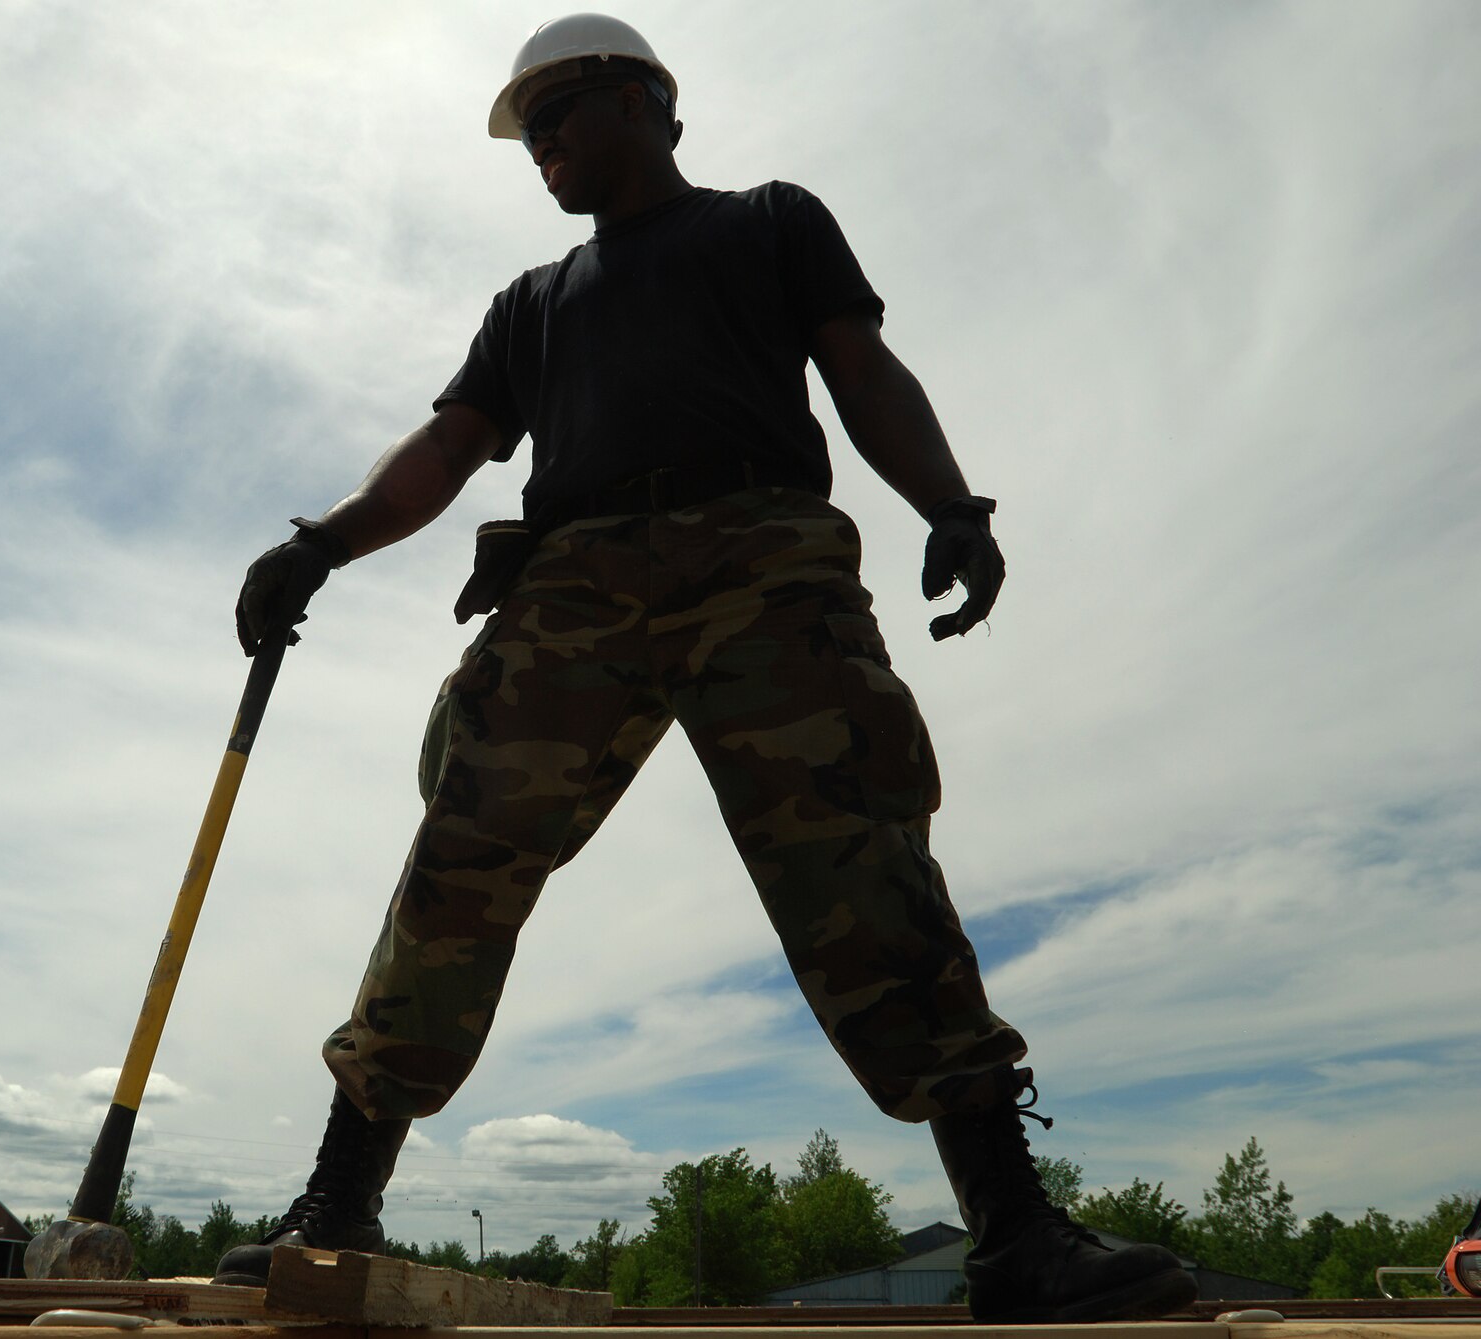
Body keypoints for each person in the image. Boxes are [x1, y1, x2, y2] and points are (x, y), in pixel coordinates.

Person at [214, 15, 1197, 1323]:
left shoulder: (770, 223)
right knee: (462, 858)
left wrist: (953, 505)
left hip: (766, 560)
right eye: (528, 132)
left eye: (559, 113)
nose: (542, 145)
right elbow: (447, 450)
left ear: (644, 101)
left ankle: (1013, 1230)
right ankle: (336, 1205)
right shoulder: (533, 305)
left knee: (863, 863)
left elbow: (862, 373)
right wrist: (321, 544)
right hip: (575, 585)